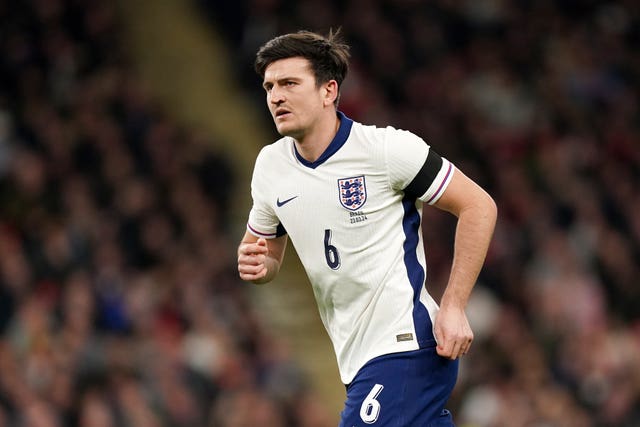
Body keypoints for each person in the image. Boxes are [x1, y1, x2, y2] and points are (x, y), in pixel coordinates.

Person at [237, 29, 497, 426]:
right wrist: (259, 266)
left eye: (289, 83)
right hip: (356, 359)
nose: (276, 96)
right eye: (269, 86)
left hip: (405, 345)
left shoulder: (386, 150)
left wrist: (455, 305)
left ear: (329, 91)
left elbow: (478, 206)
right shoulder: (271, 166)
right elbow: (267, 252)